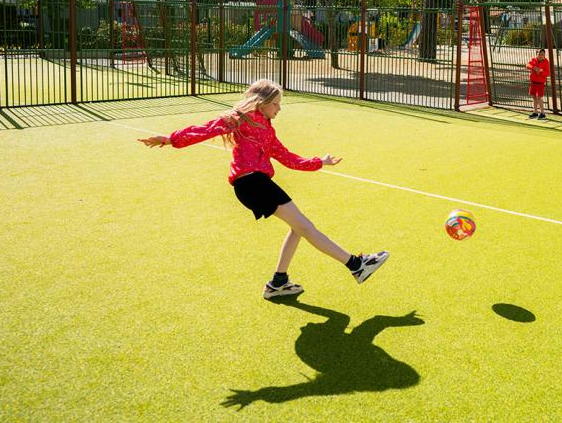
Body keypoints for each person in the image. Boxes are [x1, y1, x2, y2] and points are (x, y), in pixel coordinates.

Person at [138, 79, 389, 299]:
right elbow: (205, 130)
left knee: (299, 228)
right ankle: (356, 265)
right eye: (276, 104)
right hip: (251, 183)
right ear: (262, 102)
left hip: (257, 184)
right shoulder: (239, 119)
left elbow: (287, 157)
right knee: (306, 227)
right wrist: (171, 139)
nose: (279, 109)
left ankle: (278, 283)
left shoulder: (267, 130)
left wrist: (319, 162)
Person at [526, 49, 551, 121]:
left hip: (540, 83)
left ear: (544, 55)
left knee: (539, 97)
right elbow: (527, 65)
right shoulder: (533, 60)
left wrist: (541, 71)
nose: (541, 56)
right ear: (536, 54)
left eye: (542, 54)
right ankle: (535, 112)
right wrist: (533, 68)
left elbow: (547, 73)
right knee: (534, 97)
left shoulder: (546, 62)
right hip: (533, 82)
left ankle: (542, 113)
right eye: (539, 54)